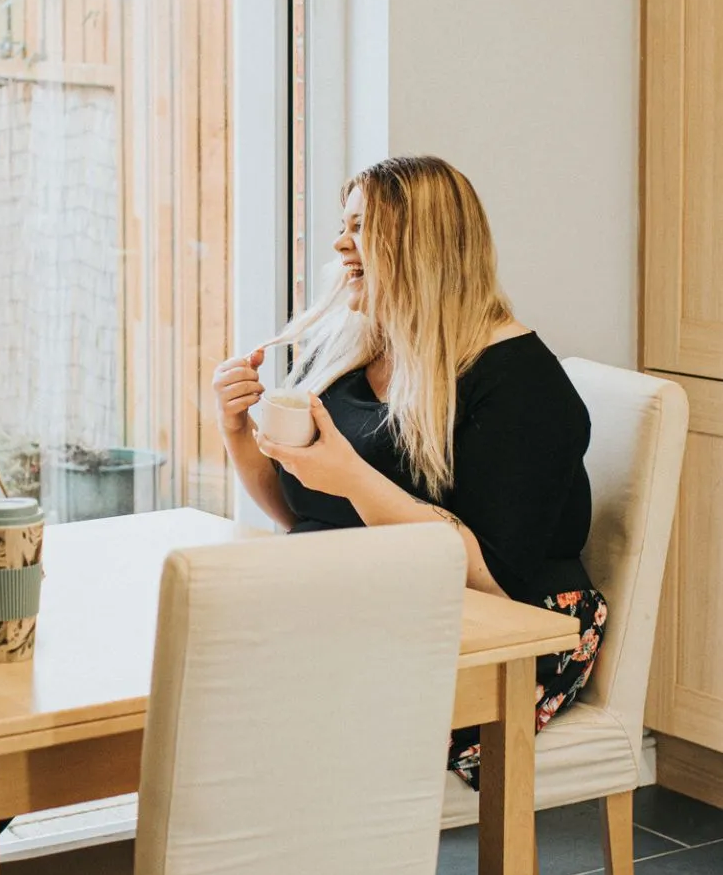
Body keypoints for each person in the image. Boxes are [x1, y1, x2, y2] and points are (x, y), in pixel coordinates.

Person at [211, 155, 606, 784]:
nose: (341, 243)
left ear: (423, 243)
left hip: (514, 633)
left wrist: (351, 477)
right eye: (344, 224)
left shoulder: (522, 383)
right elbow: (305, 511)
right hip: (367, 604)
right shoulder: (354, 347)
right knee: (202, 668)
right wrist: (238, 431)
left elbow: (496, 582)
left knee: (245, 709)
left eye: (362, 225)